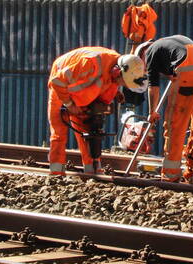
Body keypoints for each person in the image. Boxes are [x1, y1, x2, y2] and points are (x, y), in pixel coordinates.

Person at [46, 46, 145, 176]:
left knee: (88, 130)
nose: (121, 85)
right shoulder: (90, 64)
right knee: (59, 130)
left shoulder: (118, 66)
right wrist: (69, 104)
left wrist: (116, 93)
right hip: (61, 86)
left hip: (82, 91)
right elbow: (57, 81)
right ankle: (56, 171)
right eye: (122, 82)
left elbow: (105, 81)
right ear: (117, 72)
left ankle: (91, 170)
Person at [131, 35, 193, 183]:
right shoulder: (171, 44)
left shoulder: (150, 52)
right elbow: (180, 63)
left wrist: (152, 112)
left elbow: (153, 87)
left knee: (175, 126)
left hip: (188, 73)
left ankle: (170, 175)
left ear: (142, 54)